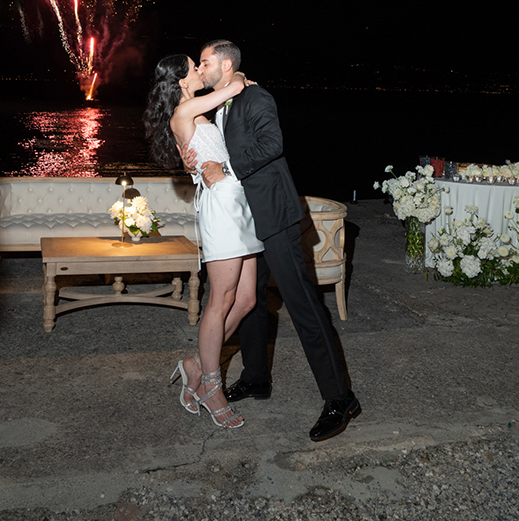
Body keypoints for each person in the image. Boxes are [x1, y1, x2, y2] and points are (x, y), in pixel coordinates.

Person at [181, 39, 361, 442]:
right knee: (252, 300)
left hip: (274, 213)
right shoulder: (218, 103)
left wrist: (225, 169)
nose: (201, 69)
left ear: (226, 65)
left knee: (301, 303)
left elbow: (272, 145)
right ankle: (256, 377)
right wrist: (192, 158)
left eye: (206, 62)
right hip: (242, 219)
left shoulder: (257, 97)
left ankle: (340, 397)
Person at [143, 54, 264, 429]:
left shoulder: (195, 111)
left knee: (246, 299)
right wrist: (237, 74)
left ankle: (196, 364)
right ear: (182, 81)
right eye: (194, 67)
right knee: (221, 300)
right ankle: (212, 386)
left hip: (239, 202)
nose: (200, 71)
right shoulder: (184, 112)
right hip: (220, 208)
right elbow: (234, 86)